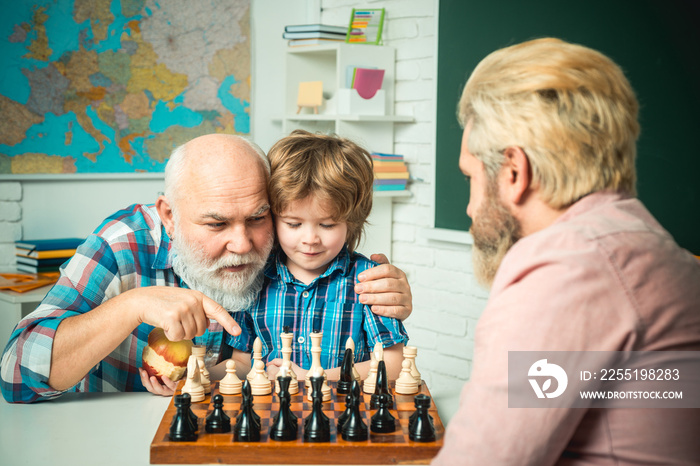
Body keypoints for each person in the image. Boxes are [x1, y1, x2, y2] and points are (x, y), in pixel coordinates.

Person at [432, 38, 700, 465]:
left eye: (471, 178)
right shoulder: (646, 242)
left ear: (515, 172)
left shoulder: (568, 270)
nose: (468, 206)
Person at [0, 133, 413, 404]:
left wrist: (390, 286)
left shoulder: (282, 246)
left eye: (257, 217)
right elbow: (14, 373)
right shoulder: (123, 243)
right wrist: (132, 306)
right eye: (216, 223)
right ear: (169, 215)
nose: (243, 244)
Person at [229, 130, 408, 381]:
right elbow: (239, 361)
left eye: (327, 225)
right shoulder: (254, 276)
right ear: (272, 218)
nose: (310, 239)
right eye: (293, 224)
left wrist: (315, 376)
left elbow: (394, 364)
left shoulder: (368, 281)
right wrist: (191, 374)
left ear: (351, 222)